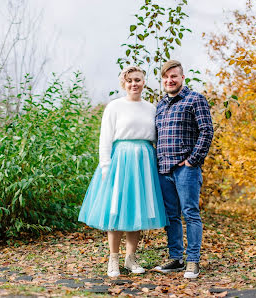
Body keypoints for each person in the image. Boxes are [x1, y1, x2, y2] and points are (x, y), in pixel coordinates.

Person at [78, 65, 168, 278]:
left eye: (137, 80)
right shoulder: (114, 107)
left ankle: (131, 258)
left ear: (143, 82)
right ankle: (113, 259)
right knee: (116, 210)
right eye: (129, 81)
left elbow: (156, 137)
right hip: (120, 160)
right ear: (124, 84)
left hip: (144, 160)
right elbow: (105, 138)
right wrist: (105, 165)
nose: (134, 84)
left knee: (137, 208)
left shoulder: (151, 108)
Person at [154, 60, 214, 279]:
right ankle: (176, 258)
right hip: (164, 170)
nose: (170, 81)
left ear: (182, 78)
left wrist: (192, 160)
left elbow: (206, 131)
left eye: (174, 77)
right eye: (166, 77)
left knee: (190, 214)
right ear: (162, 80)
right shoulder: (160, 105)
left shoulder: (195, 99)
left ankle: (193, 261)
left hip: (186, 170)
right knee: (171, 216)